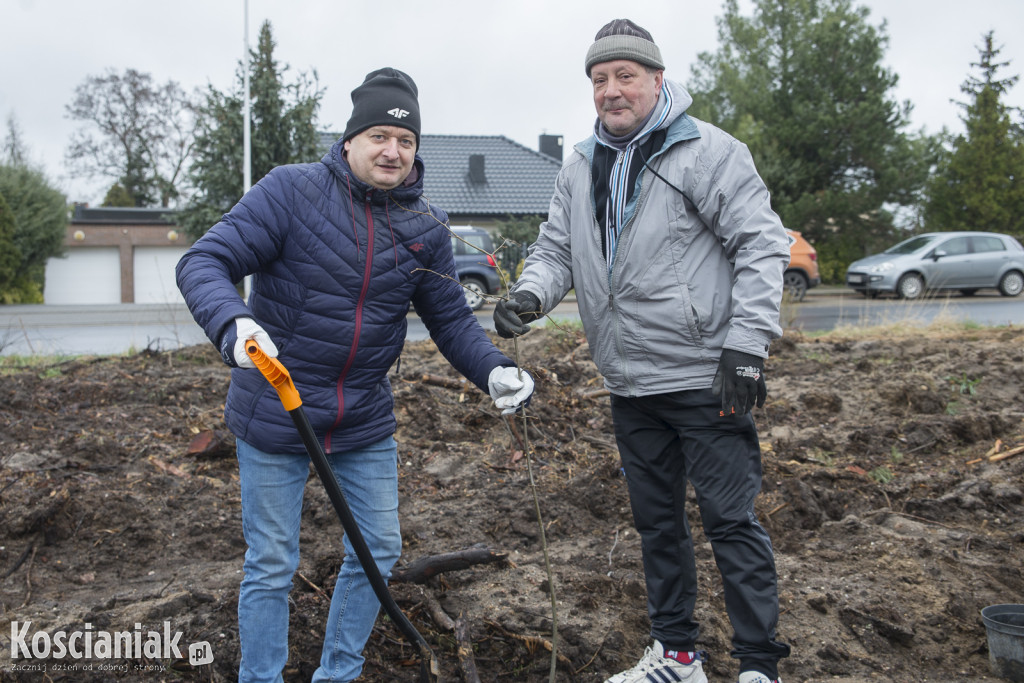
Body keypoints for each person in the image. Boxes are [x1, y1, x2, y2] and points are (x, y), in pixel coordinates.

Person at [176, 67, 533, 683]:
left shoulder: (425, 226)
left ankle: (336, 674)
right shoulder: (290, 192)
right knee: (271, 562)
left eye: (407, 141)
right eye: (378, 136)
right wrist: (232, 322)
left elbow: (450, 322)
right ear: (350, 141)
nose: (392, 150)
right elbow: (204, 259)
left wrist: (495, 369)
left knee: (377, 550)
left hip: (362, 418)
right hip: (276, 409)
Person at [493, 19, 791, 683]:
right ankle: (678, 657)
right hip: (629, 383)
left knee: (730, 521)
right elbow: (555, 250)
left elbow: (762, 245)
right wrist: (531, 295)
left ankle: (759, 667)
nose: (611, 90)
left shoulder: (707, 153)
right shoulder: (579, 166)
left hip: (706, 375)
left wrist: (746, 347)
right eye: (599, 79)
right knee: (657, 527)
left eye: (625, 75)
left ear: (657, 80)